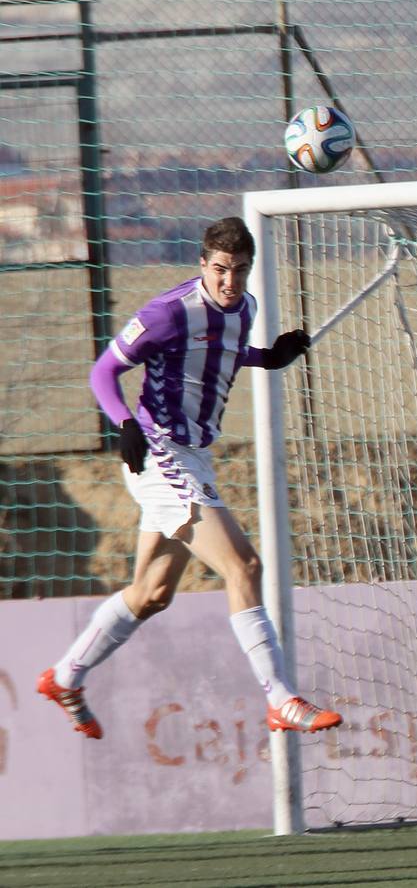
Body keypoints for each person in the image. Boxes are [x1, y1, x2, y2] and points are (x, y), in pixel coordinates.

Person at [37, 217, 342, 739]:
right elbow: (102, 372)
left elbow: (218, 352)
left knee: (152, 593)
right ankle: (280, 698)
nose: (230, 282)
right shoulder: (166, 313)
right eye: (220, 270)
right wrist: (125, 425)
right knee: (244, 565)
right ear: (203, 264)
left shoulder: (245, 309)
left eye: (240, 271)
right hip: (160, 454)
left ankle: (65, 676)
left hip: (194, 456)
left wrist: (267, 357)